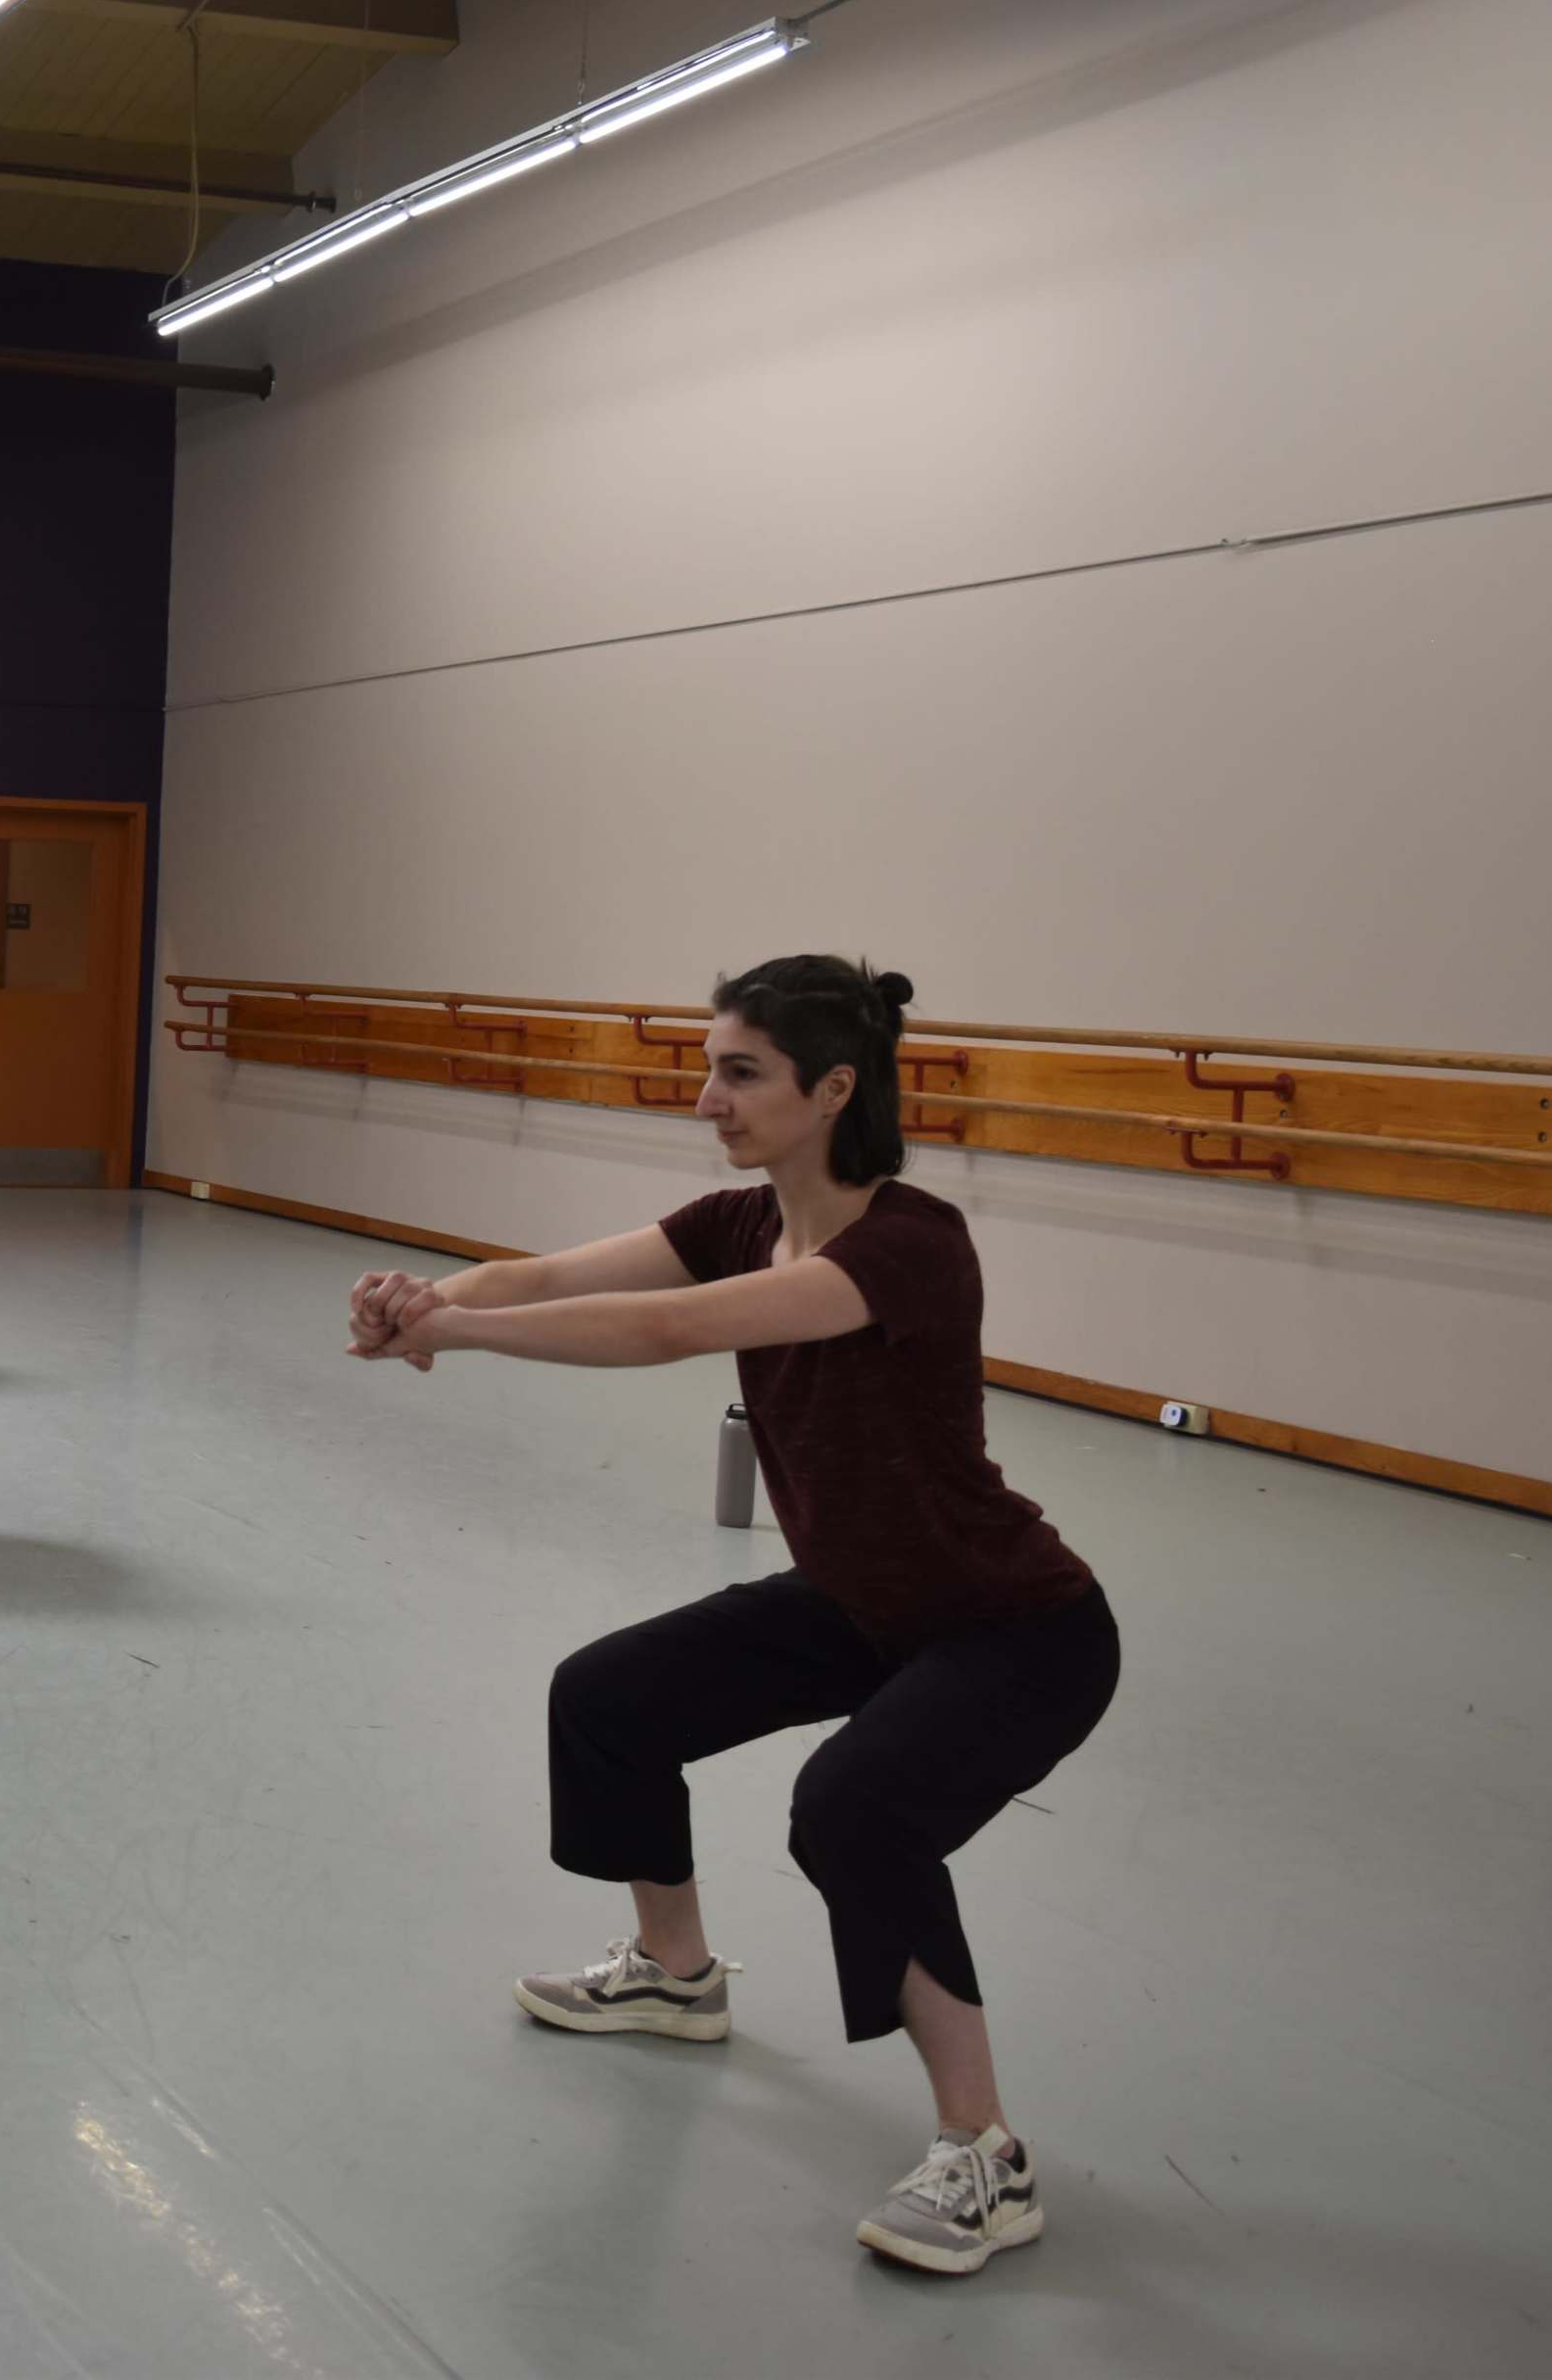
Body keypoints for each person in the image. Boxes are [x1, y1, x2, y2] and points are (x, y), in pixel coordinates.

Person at [345, 956, 1118, 2277]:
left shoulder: (909, 1244)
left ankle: (984, 2147)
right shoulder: (742, 1216)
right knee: (610, 1696)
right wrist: (432, 1297)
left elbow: (665, 1329)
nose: (709, 1096)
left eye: (740, 1071)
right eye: (711, 1066)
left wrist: (457, 1337)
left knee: (854, 1809)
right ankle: (675, 1971)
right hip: (862, 1600)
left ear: (833, 1087)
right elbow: (550, 1273)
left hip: (1015, 1628)